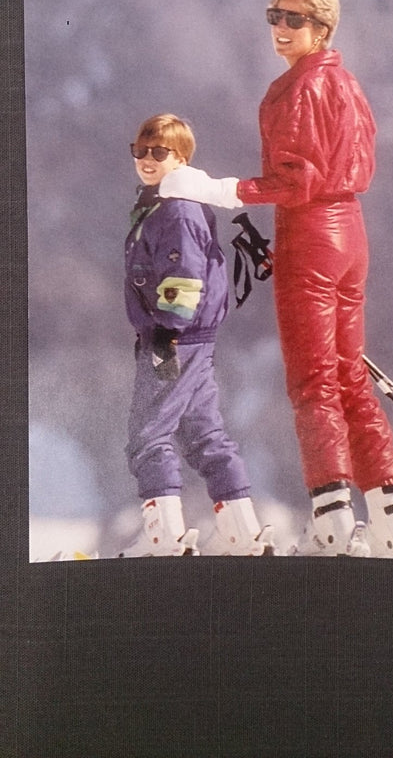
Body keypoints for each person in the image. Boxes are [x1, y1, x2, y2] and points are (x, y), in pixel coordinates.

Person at [160, 0, 393, 559]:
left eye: (293, 19)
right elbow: (343, 168)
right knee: (349, 373)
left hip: (310, 229)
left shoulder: (294, 89)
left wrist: (220, 189)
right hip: (349, 233)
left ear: (321, 28)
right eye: (274, 16)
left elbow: (297, 180)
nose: (280, 29)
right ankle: (392, 519)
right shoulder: (347, 84)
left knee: (313, 380)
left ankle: (332, 517)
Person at [121, 113, 273, 557]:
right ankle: (240, 530)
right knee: (203, 433)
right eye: (140, 151)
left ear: (181, 157)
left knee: (148, 434)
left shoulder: (177, 207)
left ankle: (163, 535)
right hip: (193, 338)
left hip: (175, 338)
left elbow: (184, 272)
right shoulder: (164, 202)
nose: (148, 160)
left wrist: (167, 329)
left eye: (159, 152)